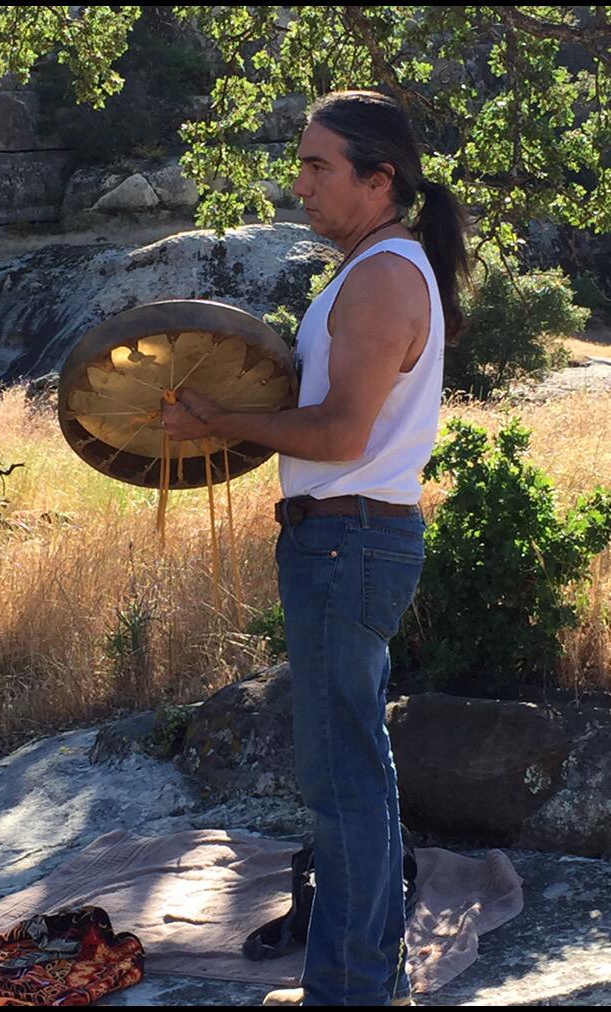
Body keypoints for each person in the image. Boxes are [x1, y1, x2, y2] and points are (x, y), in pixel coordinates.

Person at [161, 89, 470, 1007]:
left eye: (317, 166)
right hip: (347, 542)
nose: (300, 184)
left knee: (342, 782)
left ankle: (349, 991)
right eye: (300, 163)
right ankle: (360, 977)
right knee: (354, 770)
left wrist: (218, 417)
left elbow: (339, 436)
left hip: (347, 543)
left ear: (379, 181)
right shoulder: (377, 265)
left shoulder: (381, 276)